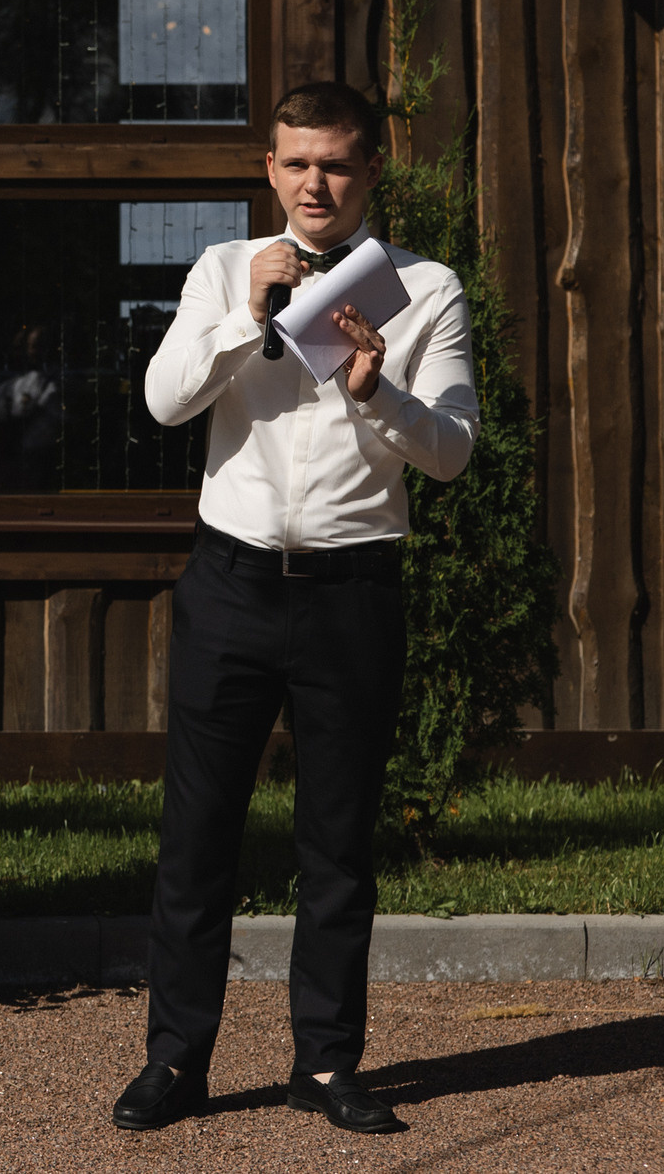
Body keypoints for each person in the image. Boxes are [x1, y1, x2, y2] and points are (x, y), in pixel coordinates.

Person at [112, 81, 477, 1137]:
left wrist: (377, 394)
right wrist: (245, 316)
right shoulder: (225, 270)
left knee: (336, 843)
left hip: (351, 592)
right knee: (196, 839)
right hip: (228, 582)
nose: (314, 182)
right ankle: (175, 1062)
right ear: (268, 170)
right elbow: (163, 400)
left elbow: (450, 454)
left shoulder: (424, 286)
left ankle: (324, 1064)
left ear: (369, 171)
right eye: (294, 163)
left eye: (335, 164)